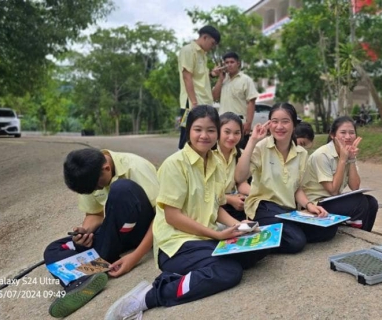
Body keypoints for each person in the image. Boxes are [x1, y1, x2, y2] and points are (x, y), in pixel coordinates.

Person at [104, 105, 267, 320]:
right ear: (189, 131)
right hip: (176, 245)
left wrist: (235, 226)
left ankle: (191, 270)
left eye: (210, 130)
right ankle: (151, 295)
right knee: (229, 272)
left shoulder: (216, 163)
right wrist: (218, 235)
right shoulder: (175, 164)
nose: (204, 135)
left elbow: (216, 207)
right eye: (198, 129)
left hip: (203, 237)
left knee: (257, 249)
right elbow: (172, 216)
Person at [43, 148, 158, 318]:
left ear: (107, 168)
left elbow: (164, 216)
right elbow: (95, 214)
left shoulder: (136, 167)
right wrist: (85, 232)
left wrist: (135, 257)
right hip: (116, 233)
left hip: (145, 228)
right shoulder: (89, 173)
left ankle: (93, 267)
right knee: (53, 250)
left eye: (98, 186)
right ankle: (81, 282)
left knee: (122, 189)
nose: (97, 189)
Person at [235, 102, 337, 254]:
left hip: (288, 211)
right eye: (275, 122)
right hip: (263, 207)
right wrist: (252, 141)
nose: (279, 126)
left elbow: (297, 189)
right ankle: (267, 231)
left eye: (285, 121)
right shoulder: (261, 147)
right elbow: (239, 177)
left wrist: (309, 206)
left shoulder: (301, 153)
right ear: (269, 124)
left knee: (329, 229)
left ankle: (276, 233)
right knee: (296, 242)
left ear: (294, 125)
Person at [302, 116, 378, 231]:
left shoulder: (347, 152)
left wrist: (351, 159)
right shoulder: (322, 155)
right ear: (333, 135)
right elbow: (332, 190)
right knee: (359, 203)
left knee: (371, 202)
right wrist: (343, 160)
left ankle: (364, 234)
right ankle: (355, 232)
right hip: (317, 204)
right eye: (343, 132)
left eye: (351, 133)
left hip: (332, 200)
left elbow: (355, 186)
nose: (348, 137)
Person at [177, 25, 222, 149]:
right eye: (212, 43)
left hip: (206, 102)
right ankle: (182, 166)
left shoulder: (203, 54)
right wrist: (194, 103)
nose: (212, 47)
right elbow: (187, 76)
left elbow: (199, 77)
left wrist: (213, 74)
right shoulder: (188, 50)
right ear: (205, 37)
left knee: (206, 138)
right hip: (191, 104)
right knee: (186, 137)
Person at [213, 51, 259, 149]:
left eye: (232, 62)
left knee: (239, 153)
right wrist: (220, 79)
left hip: (240, 123)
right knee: (221, 152)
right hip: (222, 123)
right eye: (226, 63)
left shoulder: (246, 80)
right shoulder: (223, 80)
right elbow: (214, 97)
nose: (229, 65)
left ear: (238, 63)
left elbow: (251, 102)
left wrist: (248, 123)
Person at [213, 112, 251, 221]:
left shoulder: (241, 154)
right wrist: (229, 199)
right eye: (227, 132)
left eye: (237, 133)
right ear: (218, 131)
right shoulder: (208, 153)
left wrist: (258, 194)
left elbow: (241, 183)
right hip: (213, 204)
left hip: (234, 203)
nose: (232, 137)